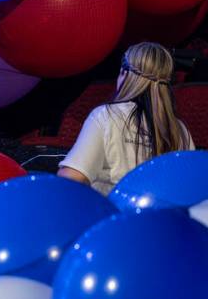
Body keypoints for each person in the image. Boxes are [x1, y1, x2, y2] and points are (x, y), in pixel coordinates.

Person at [58, 42, 195, 195]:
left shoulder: (106, 116)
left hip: (113, 215)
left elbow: (70, 179)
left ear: (124, 72)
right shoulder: (180, 130)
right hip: (162, 217)